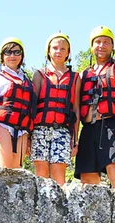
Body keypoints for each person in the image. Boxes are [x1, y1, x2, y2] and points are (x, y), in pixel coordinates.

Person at [74, 26, 115, 190]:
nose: (101, 46)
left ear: (112, 46)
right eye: (97, 42)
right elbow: (75, 109)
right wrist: (74, 138)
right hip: (89, 128)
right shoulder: (83, 74)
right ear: (92, 46)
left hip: (113, 125)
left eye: (106, 42)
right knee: (87, 178)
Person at [31, 33, 80, 186]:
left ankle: (59, 208)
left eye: (63, 48)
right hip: (39, 130)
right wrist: (28, 135)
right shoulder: (40, 74)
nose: (58, 51)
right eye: (55, 48)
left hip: (63, 131)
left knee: (59, 172)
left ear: (68, 53)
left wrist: (75, 139)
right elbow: (32, 107)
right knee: (41, 171)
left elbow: (76, 110)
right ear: (48, 51)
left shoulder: (75, 77)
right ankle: (39, 208)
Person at [0, 37, 34, 168]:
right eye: (8, 52)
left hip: (21, 130)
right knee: (5, 169)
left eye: (16, 52)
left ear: (22, 56)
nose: (12, 56)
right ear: (2, 56)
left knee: (16, 173)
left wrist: (29, 138)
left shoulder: (27, 81)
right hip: (1, 126)